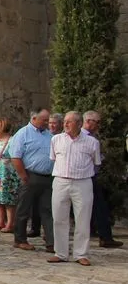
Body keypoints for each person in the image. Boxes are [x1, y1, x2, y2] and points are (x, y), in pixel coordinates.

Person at [47, 112, 101, 266]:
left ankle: (81, 254)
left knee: (83, 219)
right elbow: (53, 158)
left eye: (69, 122)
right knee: (59, 218)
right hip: (61, 181)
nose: (65, 125)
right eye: (64, 121)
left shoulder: (91, 142)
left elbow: (96, 162)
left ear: (79, 123)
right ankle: (60, 253)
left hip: (82, 182)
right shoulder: (56, 139)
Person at [9, 108, 54, 251]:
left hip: (47, 177)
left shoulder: (49, 135)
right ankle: (20, 239)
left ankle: (51, 242)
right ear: (34, 118)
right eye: (44, 120)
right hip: (30, 175)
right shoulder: (23, 134)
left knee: (48, 210)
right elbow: (15, 156)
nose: (47, 123)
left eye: (48, 119)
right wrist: (23, 176)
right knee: (24, 209)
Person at [82, 110, 124, 248]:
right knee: (97, 207)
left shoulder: (93, 137)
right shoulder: (84, 137)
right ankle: (104, 237)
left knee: (100, 207)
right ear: (88, 121)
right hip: (84, 177)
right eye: (97, 122)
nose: (99, 125)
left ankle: (105, 236)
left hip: (91, 176)